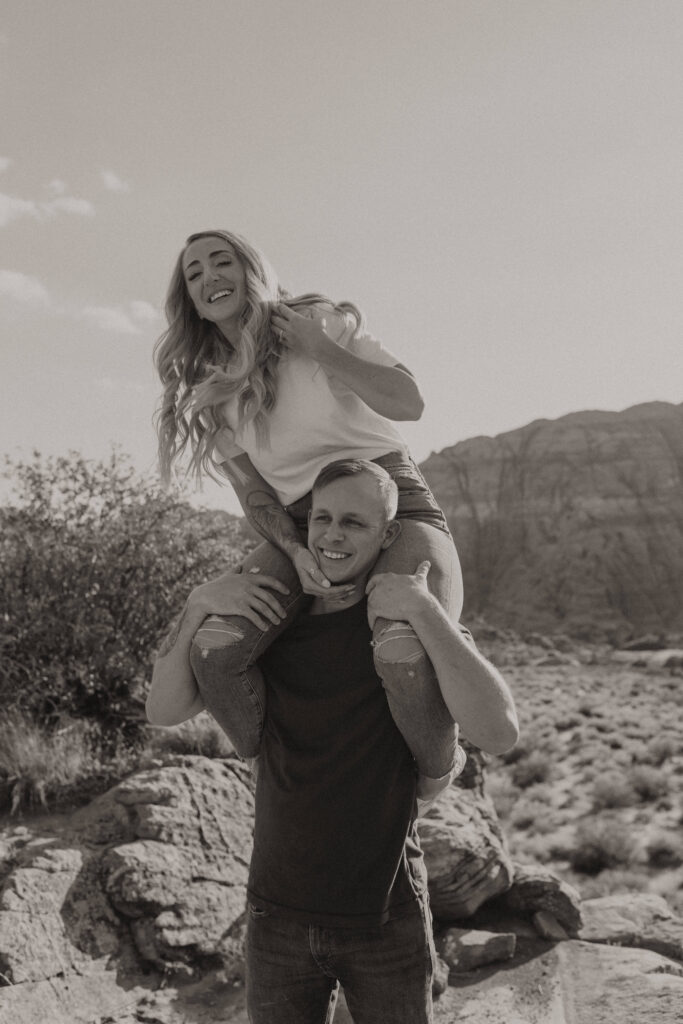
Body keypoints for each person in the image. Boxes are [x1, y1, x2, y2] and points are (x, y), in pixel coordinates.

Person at [146, 459, 519, 1024]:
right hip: (275, 915)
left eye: (354, 522)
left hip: (385, 914)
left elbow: (500, 730)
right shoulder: (266, 627)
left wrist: (424, 608)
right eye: (321, 519)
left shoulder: (408, 630)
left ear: (388, 534)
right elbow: (162, 710)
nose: (332, 535)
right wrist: (198, 602)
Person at [154, 229, 464, 800]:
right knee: (217, 651)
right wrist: (294, 551)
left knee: (404, 647)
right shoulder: (211, 389)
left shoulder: (320, 322)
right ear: (190, 300)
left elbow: (408, 403)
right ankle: (281, 769)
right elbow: (256, 497)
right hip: (300, 523)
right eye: (194, 274)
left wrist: (319, 348)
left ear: (253, 271)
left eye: (222, 262)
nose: (209, 277)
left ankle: (435, 773)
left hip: (394, 500)